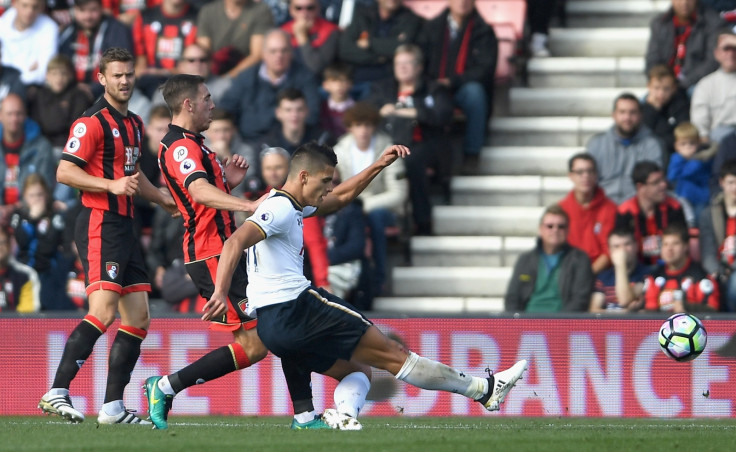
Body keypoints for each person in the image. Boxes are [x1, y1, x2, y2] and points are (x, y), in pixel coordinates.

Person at [209, 141, 528, 420]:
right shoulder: (278, 209)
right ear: (303, 176)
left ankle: (342, 417)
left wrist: (377, 165)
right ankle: (484, 390)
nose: (329, 187)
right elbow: (235, 242)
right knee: (392, 354)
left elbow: (342, 197)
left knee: (357, 371)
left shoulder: (288, 204)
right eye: (325, 180)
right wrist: (221, 292)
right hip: (297, 308)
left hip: (272, 326)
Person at [145, 74, 370, 431]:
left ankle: (303, 416)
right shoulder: (181, 147)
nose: (212, 105)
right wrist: (247, 203)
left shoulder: (194, 144)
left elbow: (196, 199)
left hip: (222, 248)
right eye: (205, 98)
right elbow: (199, 194)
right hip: (212, 253)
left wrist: (227, 182)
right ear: (188, 104)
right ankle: (167, 386)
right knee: (260, 339)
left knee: (271, 330)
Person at [38, 47, 178, 425]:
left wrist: (163, 199)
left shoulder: (134, 122)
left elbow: (133, 176)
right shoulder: (91, 122)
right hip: (100, 221)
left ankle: (113, 407)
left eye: (129, 74)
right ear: (101, 78)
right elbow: (66, 172)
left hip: (126, 225)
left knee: (138, 318)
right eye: (117, 74)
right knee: (102, 311)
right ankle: (56, 390)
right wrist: (110, 185)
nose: (125, 80)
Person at [367, 44, 453, 236]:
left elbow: (444, 115)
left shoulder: (433, 89)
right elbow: (366, 113)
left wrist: (414, 112)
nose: (402, 68)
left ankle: (422, 221)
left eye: (408, 63)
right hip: (387, 144)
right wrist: (380, 112)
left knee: (411, 162)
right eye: (399, 63)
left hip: (424, 146)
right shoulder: (383, 88)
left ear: (419, 67)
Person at [333, 102, 407, 293]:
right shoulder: (339, 151)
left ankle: (379, 279)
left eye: (367, 125)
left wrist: (363, 205)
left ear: (374, 126)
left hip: (384, 209)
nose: (363, 130)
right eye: (358, 125)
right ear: (350, 127)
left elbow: (399, 194)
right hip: (349, 208)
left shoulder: (389, 149)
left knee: (376, 218)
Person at [419, 0, 498, 174]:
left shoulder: (484, 30)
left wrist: (452, 81)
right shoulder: (431, 27)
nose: (462, 2)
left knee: (475, 94)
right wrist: (432, 84)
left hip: (462, 87)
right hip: (433, 86)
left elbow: (484, 69)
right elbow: (420, 61)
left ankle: (472, 153)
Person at [220, 29, 322, 140]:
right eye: (273, 51)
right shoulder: (246, 77)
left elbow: (312, 114)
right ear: (264, 54)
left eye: (284, 50)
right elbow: (226, 108)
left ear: (292, 53)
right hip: (248, 142)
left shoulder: (305, 77)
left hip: (290, 144)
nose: (279, 55)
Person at [504, 204, 594, 313]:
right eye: (550, 226)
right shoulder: (525, 260)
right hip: (526, 323)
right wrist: (518, 323)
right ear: (540, 229)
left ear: (568, 230)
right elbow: (512, 298)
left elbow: (580, 300)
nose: (555, 230)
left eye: (561, 226)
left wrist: (558, 324)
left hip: (563, 325)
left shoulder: (580, 259)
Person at [586, 93, 665, 204]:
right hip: (602, 206)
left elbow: (654, 183)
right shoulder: (597, 144)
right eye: (622, 112)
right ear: (614, 115)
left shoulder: (652, 145)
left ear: (641, 115)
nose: (627, 118)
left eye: (632, 113)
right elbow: (587, 181)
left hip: (638, 208)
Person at [9, 174, 71, 311]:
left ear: (46, 195)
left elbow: (48, 248)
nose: (36, 199)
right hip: (23, 275)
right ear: (24, 196)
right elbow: (20, 241)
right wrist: (32, 219)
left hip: (48, 274)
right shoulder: (18, 215)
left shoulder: (55, 216)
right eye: (32, 195)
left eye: (40, 195)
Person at [337, 0, 422, 90]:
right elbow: (345, 49)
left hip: (387, 83)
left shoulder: (410, 19)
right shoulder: (362, 14)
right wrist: (380, 57)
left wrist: (370, 42)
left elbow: (402, 47)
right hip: (355, 78)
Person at [616, 160, 687, 265]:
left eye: (663, 180)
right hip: (636, 270)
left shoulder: (674, 207)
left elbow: (682, 245)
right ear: (640, 187)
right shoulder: (625, 212)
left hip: (669, 267)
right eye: (656, 182)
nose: (663, 185)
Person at [57, 0, 134, 97]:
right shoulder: (67, 33)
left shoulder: (116, 30)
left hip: (107, 92)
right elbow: (58, 65)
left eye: (93, 10)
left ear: (101, 8)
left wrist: (93, 88)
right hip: (72, 92)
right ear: (75, 11)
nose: (87, 16)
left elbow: (121, 68)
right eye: (82, 10)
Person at [0, 93, 56, 224]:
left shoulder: (41, 147)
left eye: (18, 114)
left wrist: (14, 209)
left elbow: (44, 188)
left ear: (25, 115)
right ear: (0, 116)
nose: (14, 119)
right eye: (9, 114)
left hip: (30, 212)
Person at [558, 153, 618, 274]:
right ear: (571, 176)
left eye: (590, 171)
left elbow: (609, 251)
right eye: (580, 172)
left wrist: (587, 274)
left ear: (596, 175)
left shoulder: (611, 209)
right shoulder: (561, 209)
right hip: (569, 272)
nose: (586, 176)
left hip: (603, 274)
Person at [645, 0, 723, 92]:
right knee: (645, 103)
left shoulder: (713, 22)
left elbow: (712, 62)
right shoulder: (659, 23)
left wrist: (681, 85)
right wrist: (663, 83)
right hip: (665, 85)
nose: (684, 3)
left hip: (696, 84)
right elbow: (652, 60)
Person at [643, 223, 720, 312]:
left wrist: (686, 307)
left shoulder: (700, 277)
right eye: (665, 244)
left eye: (675, 244)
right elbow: (649, 313)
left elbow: (713, 311)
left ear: (686, 246)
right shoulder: (654, 277)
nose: (669, 249)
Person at [26, 55, 94, 151]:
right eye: (54, 74)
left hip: (70, 146)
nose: (59, 78)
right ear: (47, 76)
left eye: (63, 74)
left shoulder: (79, 96)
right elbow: (35, 125)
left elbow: (77, 127)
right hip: (42, 146)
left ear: (70, 75)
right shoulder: (38, 96)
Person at [132, 0, 198, 97]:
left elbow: (199, 63)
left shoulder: (198, 17)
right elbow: (140, 64)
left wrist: (163, 72)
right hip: (149, 82)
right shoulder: (145, 17)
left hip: (184, 81)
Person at [196, 0, 274, 78]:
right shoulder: (208, 11)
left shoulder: (260, 11)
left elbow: (257, 55)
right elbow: (203, 52)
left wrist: (227, 78)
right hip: (213, 73)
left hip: (247, 75)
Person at [700, 158, 736, 311]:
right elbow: (707, 252)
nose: (735, 187)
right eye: (731, 182)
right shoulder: (709, 214)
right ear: (721, 182)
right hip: (719, 269)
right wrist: (719, 272)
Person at [690, 26, 736, 144]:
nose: (731, 54)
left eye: (734, 48)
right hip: (719, 140)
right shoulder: (706, 85)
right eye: (726, 49)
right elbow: (700, 126)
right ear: (716, 54)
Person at [589, 227, 648, 313]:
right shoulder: (603, 278)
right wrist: (622, 312)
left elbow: (625, 300)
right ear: (609, 251)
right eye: (616, 246)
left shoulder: (647, 274)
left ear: (636, 246)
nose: (622, 250)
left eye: (627, 244)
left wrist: (620, 265)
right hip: (607, 325)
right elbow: (593, 310)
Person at [0, 0, 58, 85]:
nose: (29, 11)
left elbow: (44, 71)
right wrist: (28, 71)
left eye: (35, 7)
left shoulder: (50, 28)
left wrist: (18, 78)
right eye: (24, 5)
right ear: (14, 4)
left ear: (42, 7)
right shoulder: (2, 23)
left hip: (32, 87)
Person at [667, 121, 716, 220]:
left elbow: (706, 174)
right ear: (676, 146)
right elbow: (671, 177)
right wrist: (689, 161)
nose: (687, 147)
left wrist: (696, 159)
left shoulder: (704, 158)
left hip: (701, 199)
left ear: (698, 144)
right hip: (682, 199)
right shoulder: (676, 158)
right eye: (683, 144)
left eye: (691, 143)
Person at [260, 88, 330, 153]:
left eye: (299, 109)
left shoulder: (321, 141)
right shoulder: (267, 145)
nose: (294, 115)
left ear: (307, 111)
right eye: (288, 110)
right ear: (278, 113)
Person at [641, 64, 690, 153]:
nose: (661, 93)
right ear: (648, 87)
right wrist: (653, 109)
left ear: (674, 88)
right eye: (656, 88)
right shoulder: (643, 109)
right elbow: (642, 135)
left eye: (666, 89)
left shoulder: (681, 103)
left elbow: (682, 134)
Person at [281, 0, 339, 76]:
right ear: (291, 10)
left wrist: (301, 36)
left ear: (318, 9)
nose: (304, 13)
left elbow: (316, 67)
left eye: (310, 8)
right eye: (298, 8)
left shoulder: (331, 31)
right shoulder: (282, 32)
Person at [0, 224, 40, 312]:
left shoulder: (25, 276)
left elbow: (26, 315)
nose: (0, 247)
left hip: (12, 325)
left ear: (10, 244)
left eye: (3, 242)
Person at [320, 62, 355, 140]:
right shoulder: (321, 108)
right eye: (335, 81)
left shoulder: (357, 109)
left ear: (350, 84)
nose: (339, 85)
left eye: (343, 80)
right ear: (325, 85)